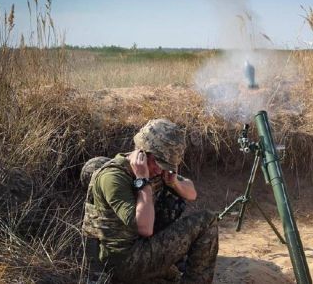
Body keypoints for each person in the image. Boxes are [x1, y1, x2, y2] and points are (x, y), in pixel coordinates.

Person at [81, 119, 219, 283]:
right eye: (158, 163)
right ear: (142, 152)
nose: (160, 170)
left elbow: (192, 193)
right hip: (121, 263)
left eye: (165, 166)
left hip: (136, 251)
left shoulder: (155, 170)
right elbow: (145, 228)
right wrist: (143, 183)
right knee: (207, 221)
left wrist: (174, 182)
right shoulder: (113, 177)